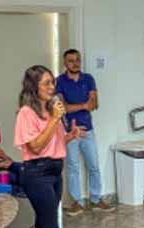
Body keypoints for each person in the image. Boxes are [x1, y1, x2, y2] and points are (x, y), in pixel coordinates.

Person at [15, 64, 83, 228]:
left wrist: (71, 135)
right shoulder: (26, 113)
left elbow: (53, 141)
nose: (52, 87)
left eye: (52, 83)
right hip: (37, 174)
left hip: (54, 171)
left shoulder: (49, 110)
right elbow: (34, 147)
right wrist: (54, 119)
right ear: (34, 87)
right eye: (46, 83)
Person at [55, 49, 112, 215]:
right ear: (65, 63)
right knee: (73, 167)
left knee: (94, 165)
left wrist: (80, 105)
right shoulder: (60, 81)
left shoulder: (88, 79)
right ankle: (77, 202)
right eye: (71, 60)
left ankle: (96, 199)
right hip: (70, 131)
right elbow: (62, 108)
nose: (75, 63)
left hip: (87, 129)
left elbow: (94, 104)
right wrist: (83, 105)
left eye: (78, 60)